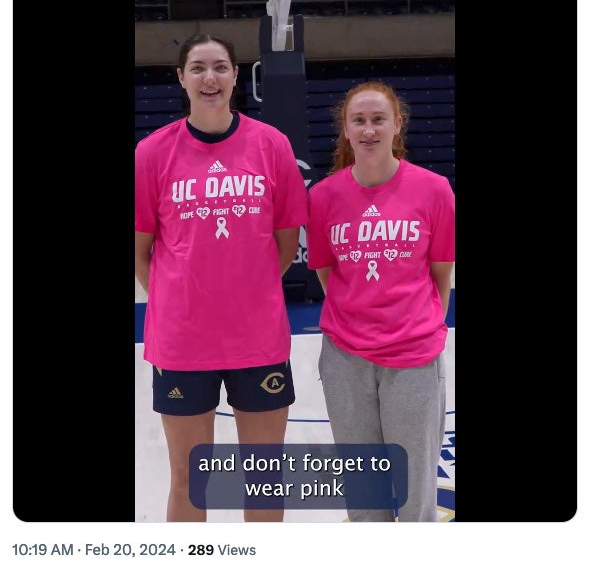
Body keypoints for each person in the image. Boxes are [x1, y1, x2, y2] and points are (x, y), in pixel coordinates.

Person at [135, 34, 308, 522]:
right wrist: (178, 299)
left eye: (219, 67)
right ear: (181, 78)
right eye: (197, 68)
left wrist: (247, 292)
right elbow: (140, 250)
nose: (209, 78)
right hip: (182, 341)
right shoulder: (151, 153)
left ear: (236, 76)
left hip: (258, 338)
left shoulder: (271, 145)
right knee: (190, 479)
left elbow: (286, 243)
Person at [306, 81, 455, 522]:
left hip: (413, 357)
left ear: (397, 124)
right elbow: (327, 272)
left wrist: (417, 323)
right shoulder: (323, 197)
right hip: (345, 358)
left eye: (378, 119)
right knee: (363, 492)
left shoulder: (434, 190)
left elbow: (441, 272)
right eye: (358, 121)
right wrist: (357, 317)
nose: (368, 129)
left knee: (416, 495)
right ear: (345, 130)